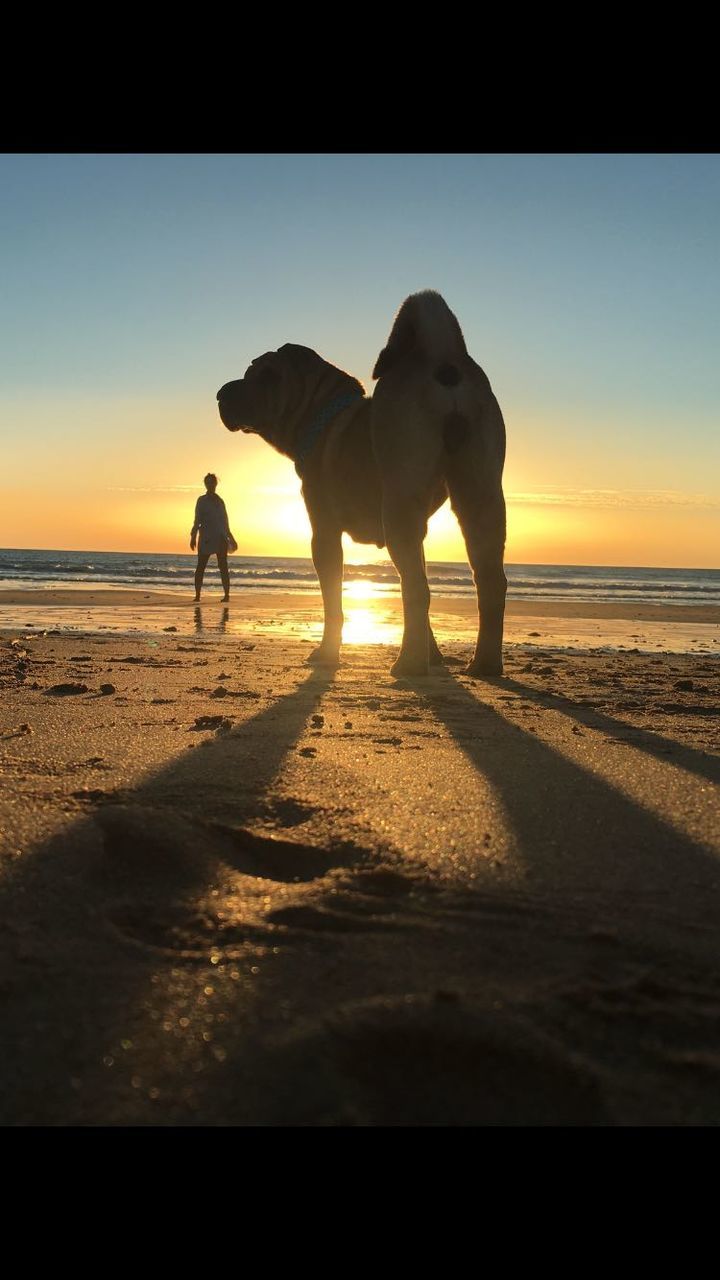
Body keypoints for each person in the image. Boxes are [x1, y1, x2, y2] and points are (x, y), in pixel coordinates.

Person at [190, 473, 237, 602]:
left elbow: (225, 521)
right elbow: (197, 520)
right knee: (201, 566)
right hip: (206, 536)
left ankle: (227, 595)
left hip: (220, 537)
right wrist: (193, 536)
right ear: (205, 484)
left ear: (216, 484)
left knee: (223, 566)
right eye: (208, 482)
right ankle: (198, 595)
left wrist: (231, 537)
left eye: (212, 482)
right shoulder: (201, 500)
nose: (210, 485)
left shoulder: (220, 501)